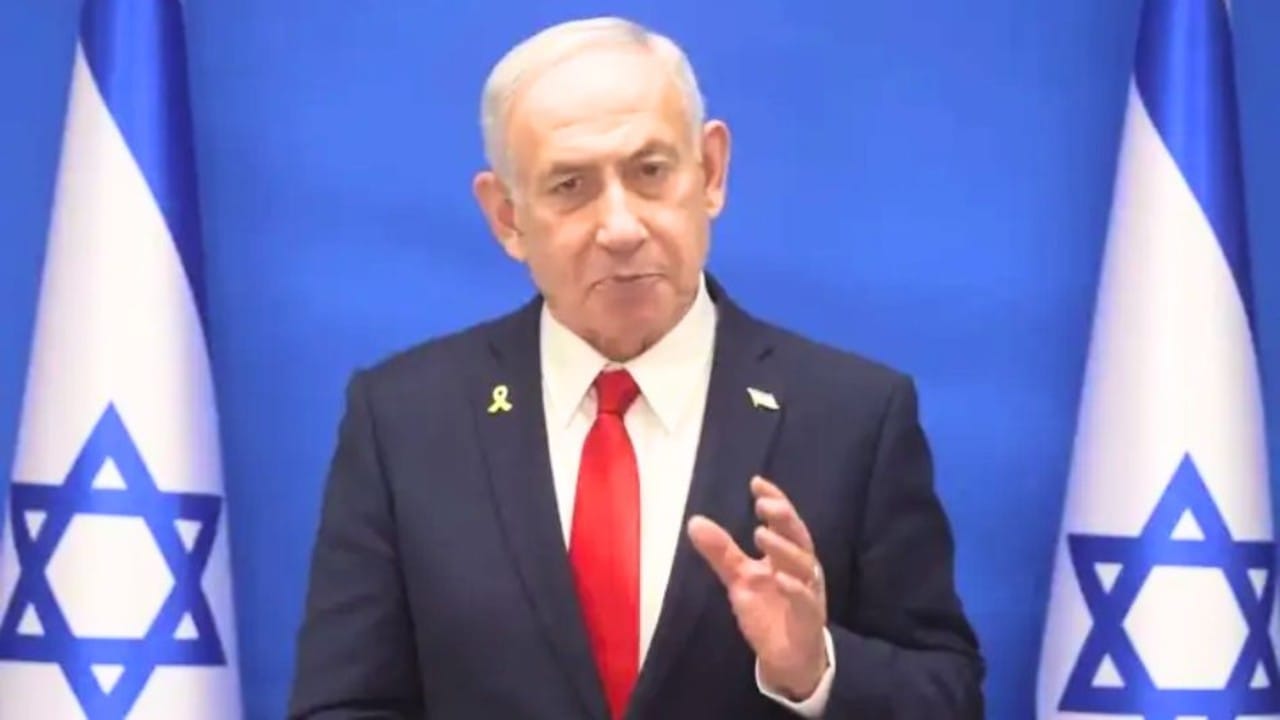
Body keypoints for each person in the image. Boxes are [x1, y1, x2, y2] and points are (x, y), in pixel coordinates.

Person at [288, 15, 983, 719]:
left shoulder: (854, 417)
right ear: (507, 217)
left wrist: (816, 670)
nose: (620, 228)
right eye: (570, 186)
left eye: (650, 172)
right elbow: (344, 703)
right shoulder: (404, 421)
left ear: (710, 172)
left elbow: (950, 697)